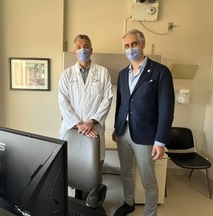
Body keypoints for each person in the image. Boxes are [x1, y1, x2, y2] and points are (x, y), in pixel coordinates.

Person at [112, 29, 175, 216]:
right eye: (126, 46)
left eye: (134, 44)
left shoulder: (160, 72)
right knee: (125, 173)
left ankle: (150, 213)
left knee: (148, 179)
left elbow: (167, 109)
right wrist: (117, 127)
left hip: (146, 136)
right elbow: (121, 103)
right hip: (124, 133)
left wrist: (160, 141)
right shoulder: (123, 74)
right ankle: (128, 202)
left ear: (143, 44)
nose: (130, 49)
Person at [58, 34, 113, 191]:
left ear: (91, 49)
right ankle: (74, 206)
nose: (83, 49)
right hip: (72, 130)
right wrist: (80, 124)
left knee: (94, 172)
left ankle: (93, 205)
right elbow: (63, 102)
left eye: (86, 46)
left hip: (94, 129)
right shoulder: (66, 75)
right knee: (71, 172)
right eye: (79, 47)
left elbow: (107, 99)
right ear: (74, 52)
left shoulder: (103, 72)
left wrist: (92, 122)